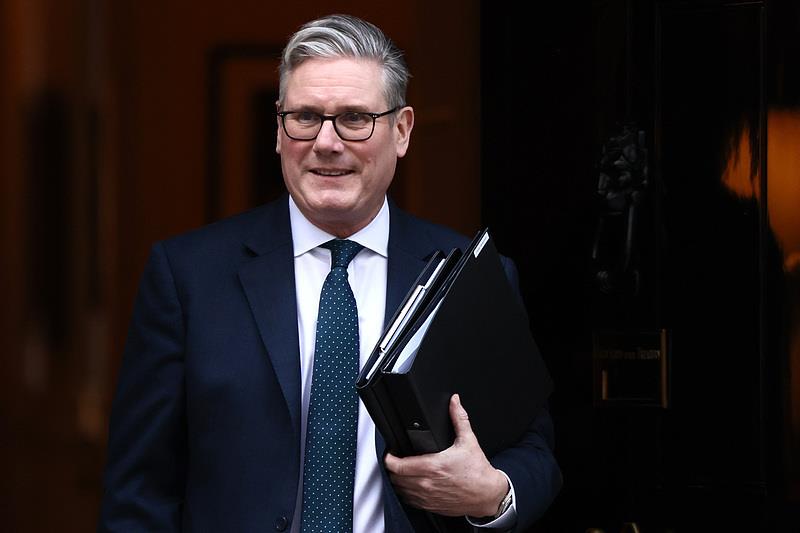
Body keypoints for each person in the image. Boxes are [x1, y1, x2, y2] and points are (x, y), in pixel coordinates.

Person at [97, 13, 561, 533]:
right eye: (305, 117)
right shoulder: (188, 277)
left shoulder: (469, 276)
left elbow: (533, 450)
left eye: (355, 118)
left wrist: (492, 493)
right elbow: (139, 493)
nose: (326, 142)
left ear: (401, 130)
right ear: (279, 130)